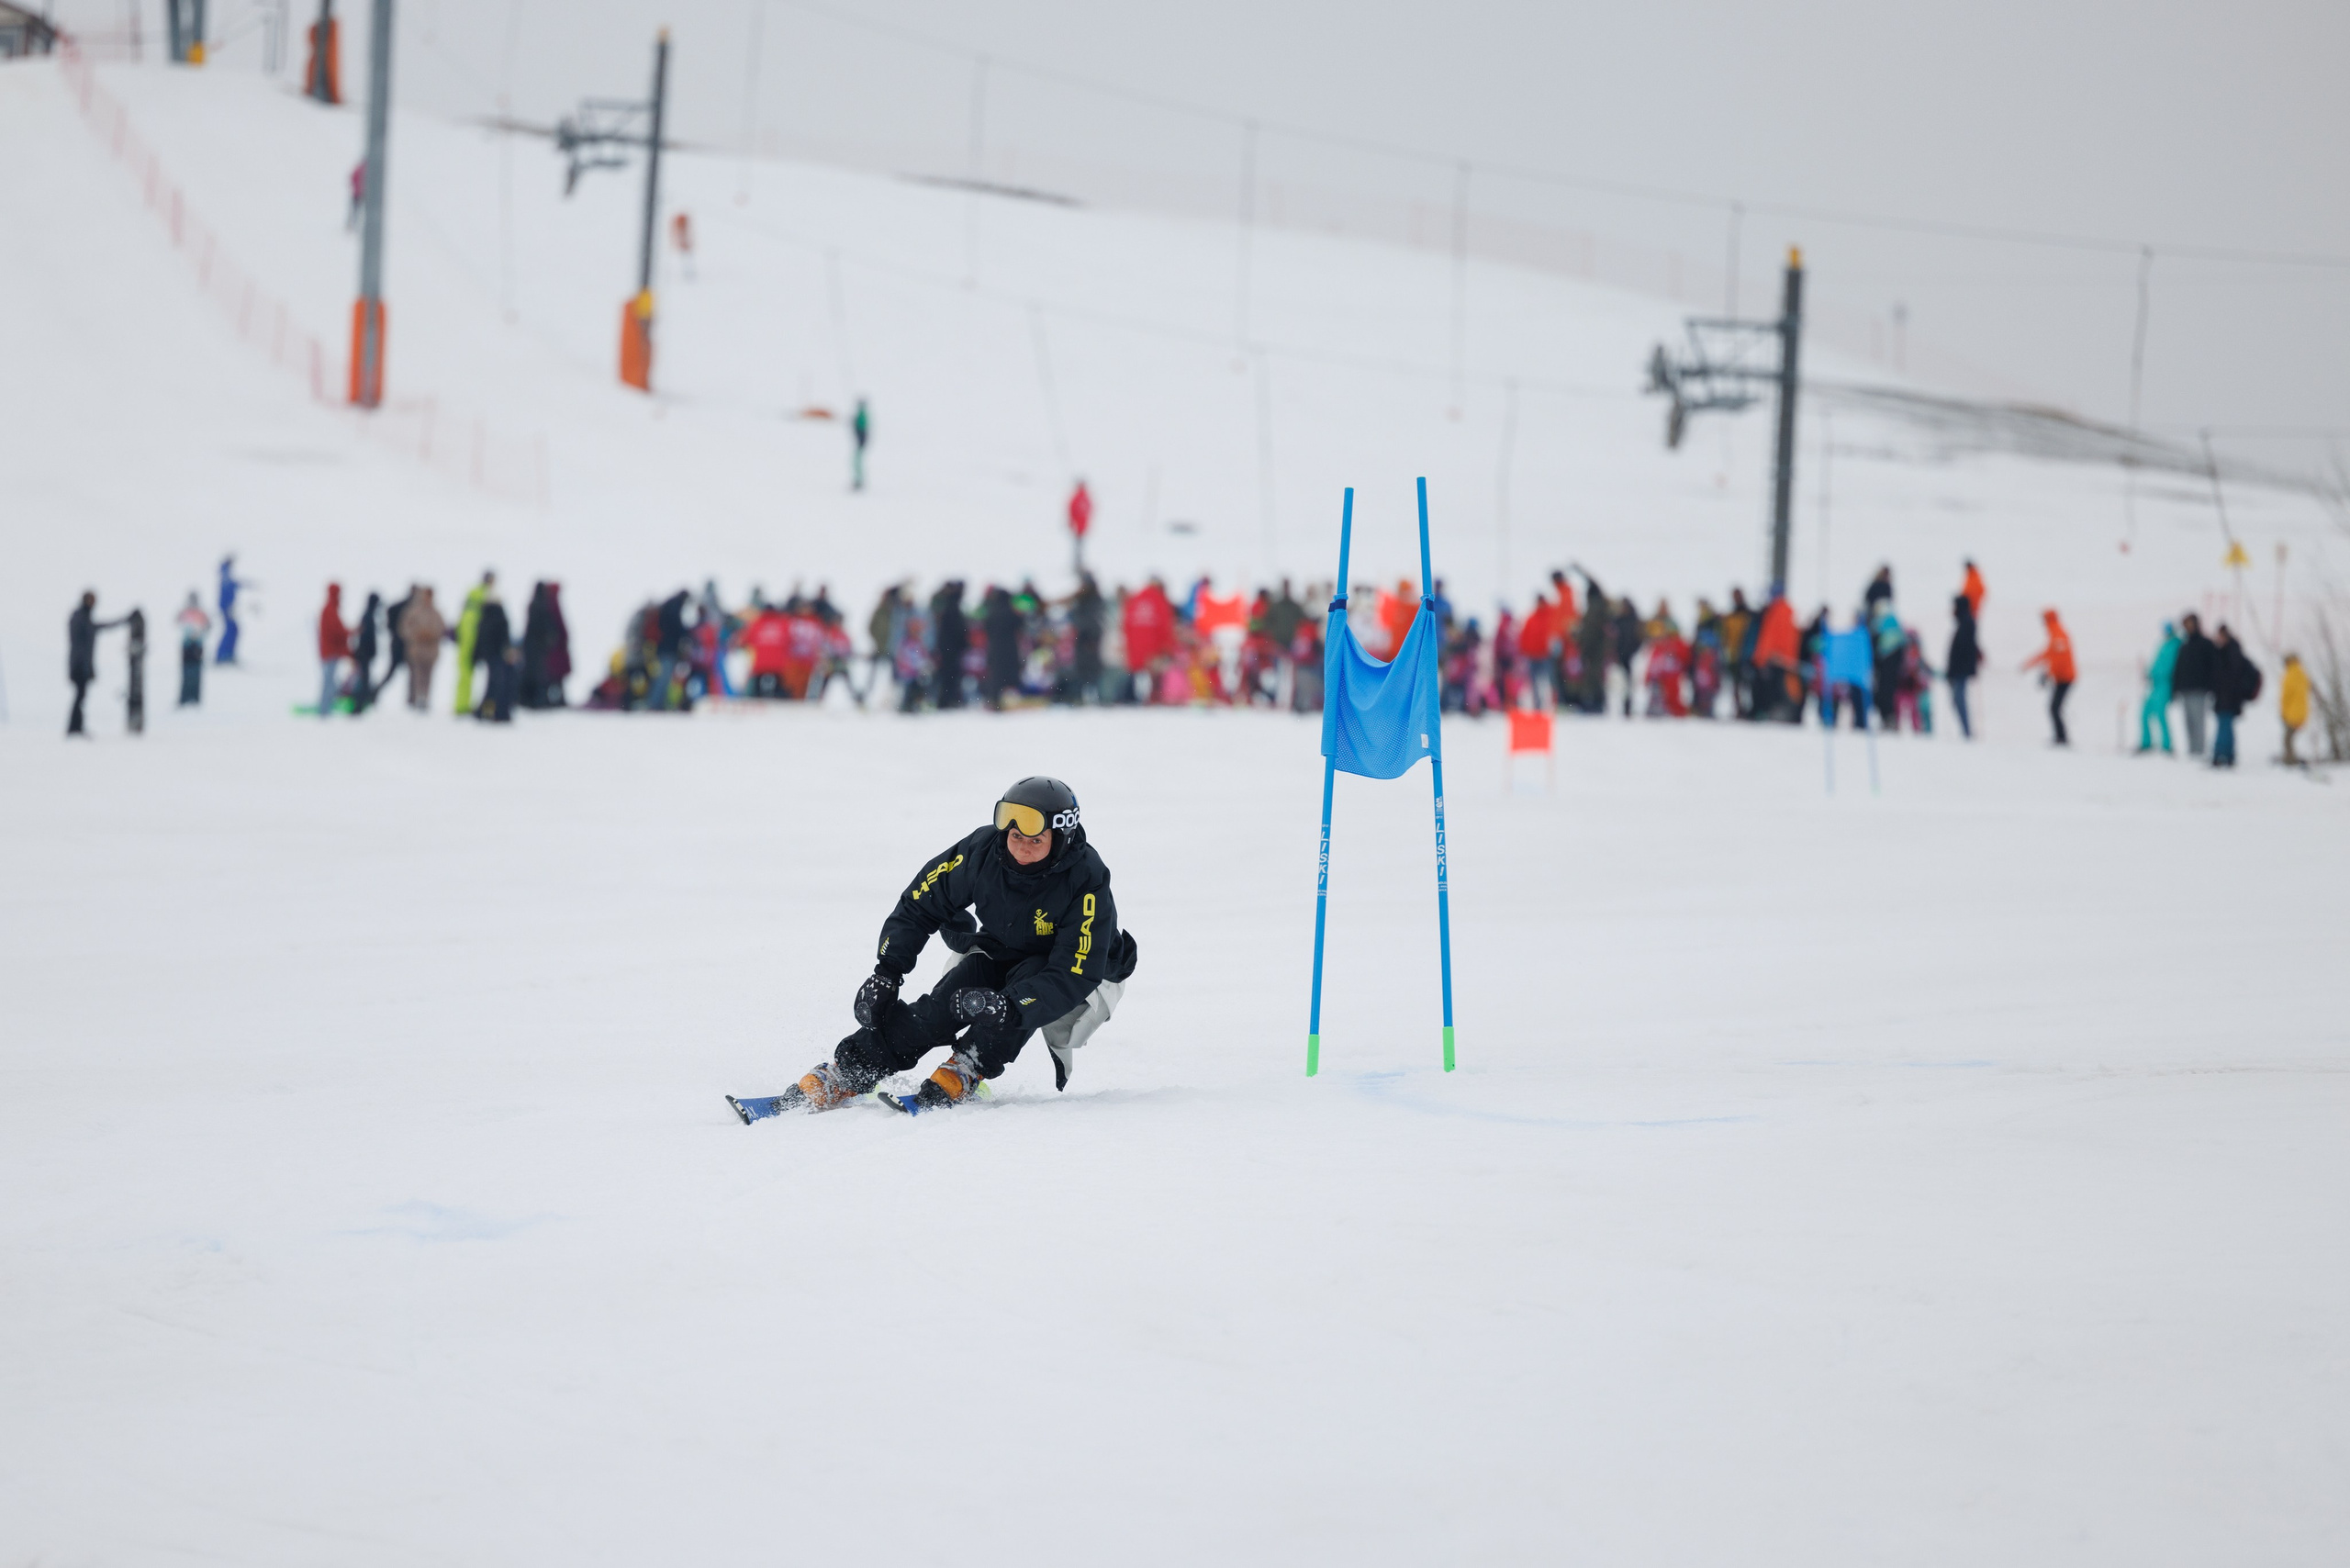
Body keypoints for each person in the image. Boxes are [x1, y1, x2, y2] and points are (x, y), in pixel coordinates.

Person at [733, 777, 1139, 1120]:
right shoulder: (983, 852)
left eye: (1034, 839)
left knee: (1014, 998)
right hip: (1003, 949)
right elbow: (919, 904)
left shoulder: (1086, 880)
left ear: (1062, 837)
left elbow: (1072, 970)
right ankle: (848, 1071)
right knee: (942, 1005)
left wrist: (1011, 1007)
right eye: (1014, 836)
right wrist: (886, 972)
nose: (1021, 847)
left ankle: (966, 1068)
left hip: (1083, 981)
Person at [2020, 608, 2075, 746]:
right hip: (2061, 677)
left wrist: (2047, 675)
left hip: (2065, 677)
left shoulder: (2058, 635)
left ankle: (2061, 737)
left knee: (2054, 707)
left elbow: (2059, 660)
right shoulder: (2055, 633)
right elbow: (2047, 654)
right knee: (2055, 707)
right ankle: (2060, 736)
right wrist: (2028, 664)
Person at [2209, 624, 2260, 769]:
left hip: (2229, 698)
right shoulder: (2225, 651)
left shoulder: (2231, 652)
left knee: (2224, 727)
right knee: (2225, 726)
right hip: (2225, 697)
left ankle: (2221, 756)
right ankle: (2227, 756)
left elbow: (2230, 676)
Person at [66, 592, 109, 737]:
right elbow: (80, 645)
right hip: (79, 664)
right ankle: (74, 728)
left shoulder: (85, 618)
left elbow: (101, 626)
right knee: (80, 695)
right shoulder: (80, 618)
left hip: (83, 664)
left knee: (81, 696)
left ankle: (76, 727)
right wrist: (83, 666)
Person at [2172, 612, 2215, 757]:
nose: (2188, 627)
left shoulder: (2206, 644)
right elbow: (2178, 668)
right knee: (2188, 722)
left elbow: (2213, 667)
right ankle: (2192, 750)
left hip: (2199, 690)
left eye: (2190, 624)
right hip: (2185, 690)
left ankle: (2200, 750)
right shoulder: (2184, 646)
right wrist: (2176, 688)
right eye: (2186, 625)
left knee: (2198, 722)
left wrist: (2210, 686)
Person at [397, 587, 446, 710]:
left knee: (428, 676)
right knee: (417, 675)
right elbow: (404, 629)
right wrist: (417, 634)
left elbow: (442, 630)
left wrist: (431, 634)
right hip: (417, 650)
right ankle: (416, 698)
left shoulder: (437, 613)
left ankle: (425, 698)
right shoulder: (414, 611)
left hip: (431, 651)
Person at [2137, 622, 2180, 755]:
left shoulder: (2175, 645)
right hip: (2155, 685)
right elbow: (2157, 663)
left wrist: (2155, 674)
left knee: (2161, 714)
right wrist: (2149, 673)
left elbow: (2168, 667)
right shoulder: (2163, 644)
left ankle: (2167, 745)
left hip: (2165, 685)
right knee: (2144, 712)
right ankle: (2146, 742)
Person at [476, 588, 517, 722]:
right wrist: (508, 653)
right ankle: (499, 712)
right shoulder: (500, 616)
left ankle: (485, 711)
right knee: (499, 685)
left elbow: (480, 638)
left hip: (489, 656)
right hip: (499, 657)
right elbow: (504, 639)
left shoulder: (484, 616)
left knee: (491, 685)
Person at [453, 572, 492, 715]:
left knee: (466, 676)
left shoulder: (468, 610)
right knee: (465, 676)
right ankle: (462, 705)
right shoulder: (475, 609)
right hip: (468, 647)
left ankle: (463, 703)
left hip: (466, 647)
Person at [1944, 592, 1981, 739]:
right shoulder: (1965, 622)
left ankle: (1966, 731)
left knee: (1959, 699)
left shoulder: (1966, 623)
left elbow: (1963, 650)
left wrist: (1953, 670)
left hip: (1961, 670)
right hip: (1960, 670)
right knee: (1957, 699)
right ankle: (1965, 730)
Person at [317, 583, 351, 719]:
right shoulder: (329, 610)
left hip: (331, 652)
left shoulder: (332, 609)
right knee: (328, 681)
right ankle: (324, 710)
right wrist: (350, 632)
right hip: (330, 652)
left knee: (330, 681)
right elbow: (336, 631)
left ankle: (326, 707)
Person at [174, 592, 211, 706]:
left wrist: (199, 632)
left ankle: (195, 698)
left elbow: (208, 626)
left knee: (196, 673)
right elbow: (177, 621)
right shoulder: (185, 613)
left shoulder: (202, 613)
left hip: (197, 646)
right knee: (186, 673)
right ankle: (185, 698)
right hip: (187, 646)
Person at [215, 554, 248, 665]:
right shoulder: (225, 574)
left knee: (233, 629)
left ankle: (227, 654)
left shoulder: (226, 574)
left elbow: (235, 584)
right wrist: (227, 607)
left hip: (229, 607)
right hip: (227, 608)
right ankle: (223, 655)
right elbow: (231, 586)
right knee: (231, 629)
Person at [2280, 651, 2311, 766]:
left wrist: (2283, 711)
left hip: (2292, 712)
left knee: (2287, 738)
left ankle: (2290, 759)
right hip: (2302, 711)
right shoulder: (2302, 673)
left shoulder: (2289, 675)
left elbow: (2286, 696)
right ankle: (2290, 757)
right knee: (2290, 737)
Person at [123, 608, 148, 735]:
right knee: (135, 693)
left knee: (136, 692)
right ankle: (134, 722)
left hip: (136, 663)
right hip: (135, 664)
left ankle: (136, 722)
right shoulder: (138, 623)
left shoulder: (138, 623)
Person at [850, 397, 870, 491]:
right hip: (860, 441)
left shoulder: (862, 415)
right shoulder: (861, 414)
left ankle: (859, 481)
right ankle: (858, 480)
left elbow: (861, 429)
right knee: (856, 462)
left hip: (860, 441)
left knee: (857, 462)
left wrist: (854, 423)